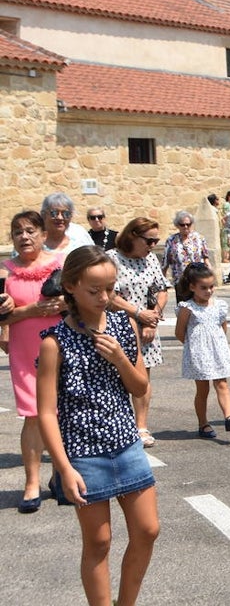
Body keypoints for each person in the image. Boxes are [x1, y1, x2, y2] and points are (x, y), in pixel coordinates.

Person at [37, 246, 159, 606]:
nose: (105, 298)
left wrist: (121, 358)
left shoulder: (123, 325)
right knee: (99, 541)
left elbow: (140, 387)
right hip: (83, 455)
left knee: (148, 530)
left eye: (110, 288)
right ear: (71, 286)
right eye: (95, 290)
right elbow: (46, 413)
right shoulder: (54, 342)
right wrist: (63, 469)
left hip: (126, 444)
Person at [1, 211, 66, 512]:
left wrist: (64, 302)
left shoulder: (60, 266)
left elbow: (81, 298)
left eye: (29, 231)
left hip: (60, 346)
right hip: (24, 349)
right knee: (33, 415)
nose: (24, 237)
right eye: (17, 232)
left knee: (61, 411)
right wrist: (31, 310)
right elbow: (6, 316)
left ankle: (61, 476)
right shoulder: (6, 273)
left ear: (42, 234)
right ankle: (31, 483)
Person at [108, 218, 171, 448]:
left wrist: (152, 317)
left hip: (147, 328)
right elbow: (109, 295)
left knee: (142, 378)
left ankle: (141, 426)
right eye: (149, 240)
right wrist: (138, 313)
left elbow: (161, 290)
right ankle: (118, 425)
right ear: (133, 235)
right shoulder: (112, 258)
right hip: (119, 325)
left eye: (156, 240)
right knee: (116, 378)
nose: (153, 244)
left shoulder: (151, 259)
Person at [174, 263, 230, 438]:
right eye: (203, 288)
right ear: (192, 287)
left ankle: (229, 417)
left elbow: (222, 328)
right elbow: (180, 332)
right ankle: (203, 423)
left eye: (211, 287)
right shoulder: (187, 308)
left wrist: (218, 344)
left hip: (218, 351)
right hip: (199, 354)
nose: (209, 291)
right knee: (203, 390)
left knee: (222, 384)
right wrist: (193, 347)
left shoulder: (219, 305)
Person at [162, 210, 214, 285]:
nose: (185, 227)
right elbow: (165, 263)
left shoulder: (199, 238)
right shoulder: (171, 240)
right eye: (182, 225)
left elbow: (206, 259)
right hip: (180, 281)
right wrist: (163, 283)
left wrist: (210, 276)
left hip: (198, 280)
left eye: (188, 224)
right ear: (177, 225)